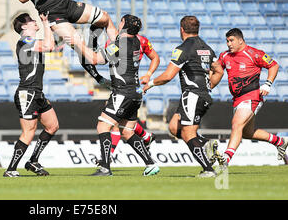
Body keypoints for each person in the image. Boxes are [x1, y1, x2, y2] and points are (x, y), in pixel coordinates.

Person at [143, 16, 224, 178]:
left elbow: (168, 76)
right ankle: (205, 144)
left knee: (188, 133)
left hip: (193, 95)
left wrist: (150, 82)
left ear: (181, 29)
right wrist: (207, 87)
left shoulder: (182, 49)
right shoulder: (206, 48)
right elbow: (219, 70)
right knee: (174, 127)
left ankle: (208, 169)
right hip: (201, 95)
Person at [80, 14, 159, 176]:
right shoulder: (139, 41)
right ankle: (150, 164)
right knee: (127, 131)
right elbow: (155, 57)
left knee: (103, 126)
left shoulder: (117, 44)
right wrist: (149, 74)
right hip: (136, 93)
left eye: (121, 21)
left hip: (122, 92)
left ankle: (105, 168)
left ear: (124, 26)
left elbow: (95, 59)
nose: (118, 23)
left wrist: (78, 44)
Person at [216, 28, 288, 168]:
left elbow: (273, 65)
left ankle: (225, 159)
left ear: (240, 40)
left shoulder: (254, 53)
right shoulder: (225, 56)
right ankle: (279, 141)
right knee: (247, 133)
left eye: (231, 40)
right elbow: (216, 70)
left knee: (236, 124)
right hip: (237, 98)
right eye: (227, 41)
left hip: (252, 96)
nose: (228, 44)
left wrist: (267, 84)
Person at [3, 12, 59, 177]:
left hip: (37, 93)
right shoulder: (24, 41)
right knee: (29, 131)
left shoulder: (33, 42)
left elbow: (50, 44)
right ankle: (11, 169)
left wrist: (46, 25)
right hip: (27, 92)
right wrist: (46, 24)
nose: (35, 21)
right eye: (31, 20)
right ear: (24, 26)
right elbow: (49, 46)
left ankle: (33, 161)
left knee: (52, 126)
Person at [107, 33, 160, 154]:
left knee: (114, 123)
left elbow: (99, 59)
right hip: (128, 87)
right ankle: (146, 138)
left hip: (124, 88)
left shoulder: (135, 41)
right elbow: (155, 58)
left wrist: (148, 75)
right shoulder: (137, 41)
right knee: (124, 124)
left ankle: (108, 156)